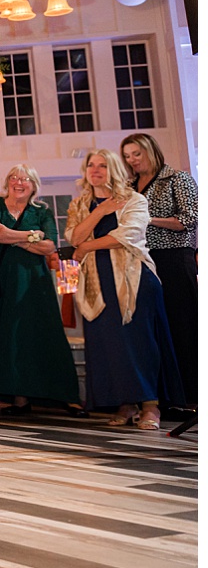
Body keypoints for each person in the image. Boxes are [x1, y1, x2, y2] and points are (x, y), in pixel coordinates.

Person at [67, 149, 183, 430]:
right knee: (110, 344)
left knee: (138, 340)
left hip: (134, 278)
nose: (96, 170)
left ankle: (151, 406)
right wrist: (100, 212)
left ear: (115, 170)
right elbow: (73, 235)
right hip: (98, 280)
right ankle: (125, 402)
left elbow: (127, 234)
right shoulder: (80, 203)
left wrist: (86, 246)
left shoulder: (134, 199)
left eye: (103, 165)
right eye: (91, 165)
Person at [0, 166, 81, 415]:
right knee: (2, 337)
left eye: (26, 179)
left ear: (35, 185)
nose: (19, 182)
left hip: (31, 282)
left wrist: (12, 235)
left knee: (36, 335)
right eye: (14, 177)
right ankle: (18, 399)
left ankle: (61, 395)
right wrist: (31, 236)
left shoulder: (42, 211)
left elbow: (49, 245)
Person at [120, 133, 197, 410]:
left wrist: (146, 218)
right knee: (153, 330)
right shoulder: (128, 186)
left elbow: (189, 220)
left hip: (174, 259)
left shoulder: (177, 178)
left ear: (151, 151)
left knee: (182, 326)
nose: (132, 161)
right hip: (142, 260)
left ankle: (191, 397)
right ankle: (163, 397)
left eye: (136, 154)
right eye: (127, 156)